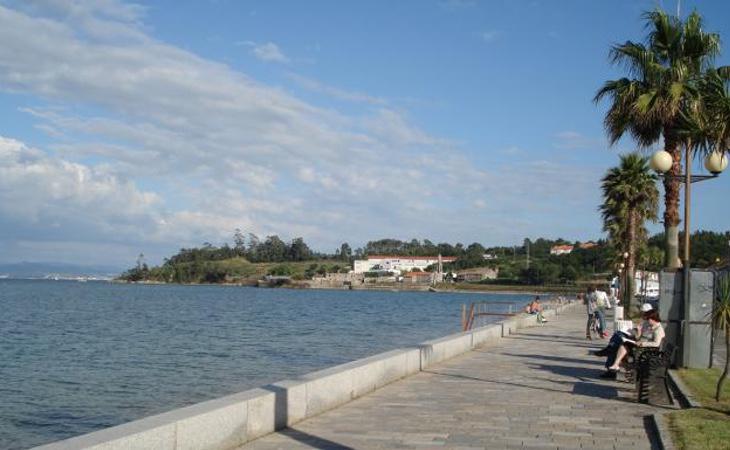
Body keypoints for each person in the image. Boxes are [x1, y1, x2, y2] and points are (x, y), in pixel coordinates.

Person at [596, 303, 665, 379]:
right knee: (619, 336)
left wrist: (643, 343)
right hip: (638, 345)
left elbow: (656, 344)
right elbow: (639, 337)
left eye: (648, 319)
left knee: (618, 346)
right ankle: (613, 360)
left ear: (654, 318)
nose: (647, 321)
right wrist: (638, 332)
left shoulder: (658, 329)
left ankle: (611, 358)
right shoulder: (648, 325)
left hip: (645, 350)